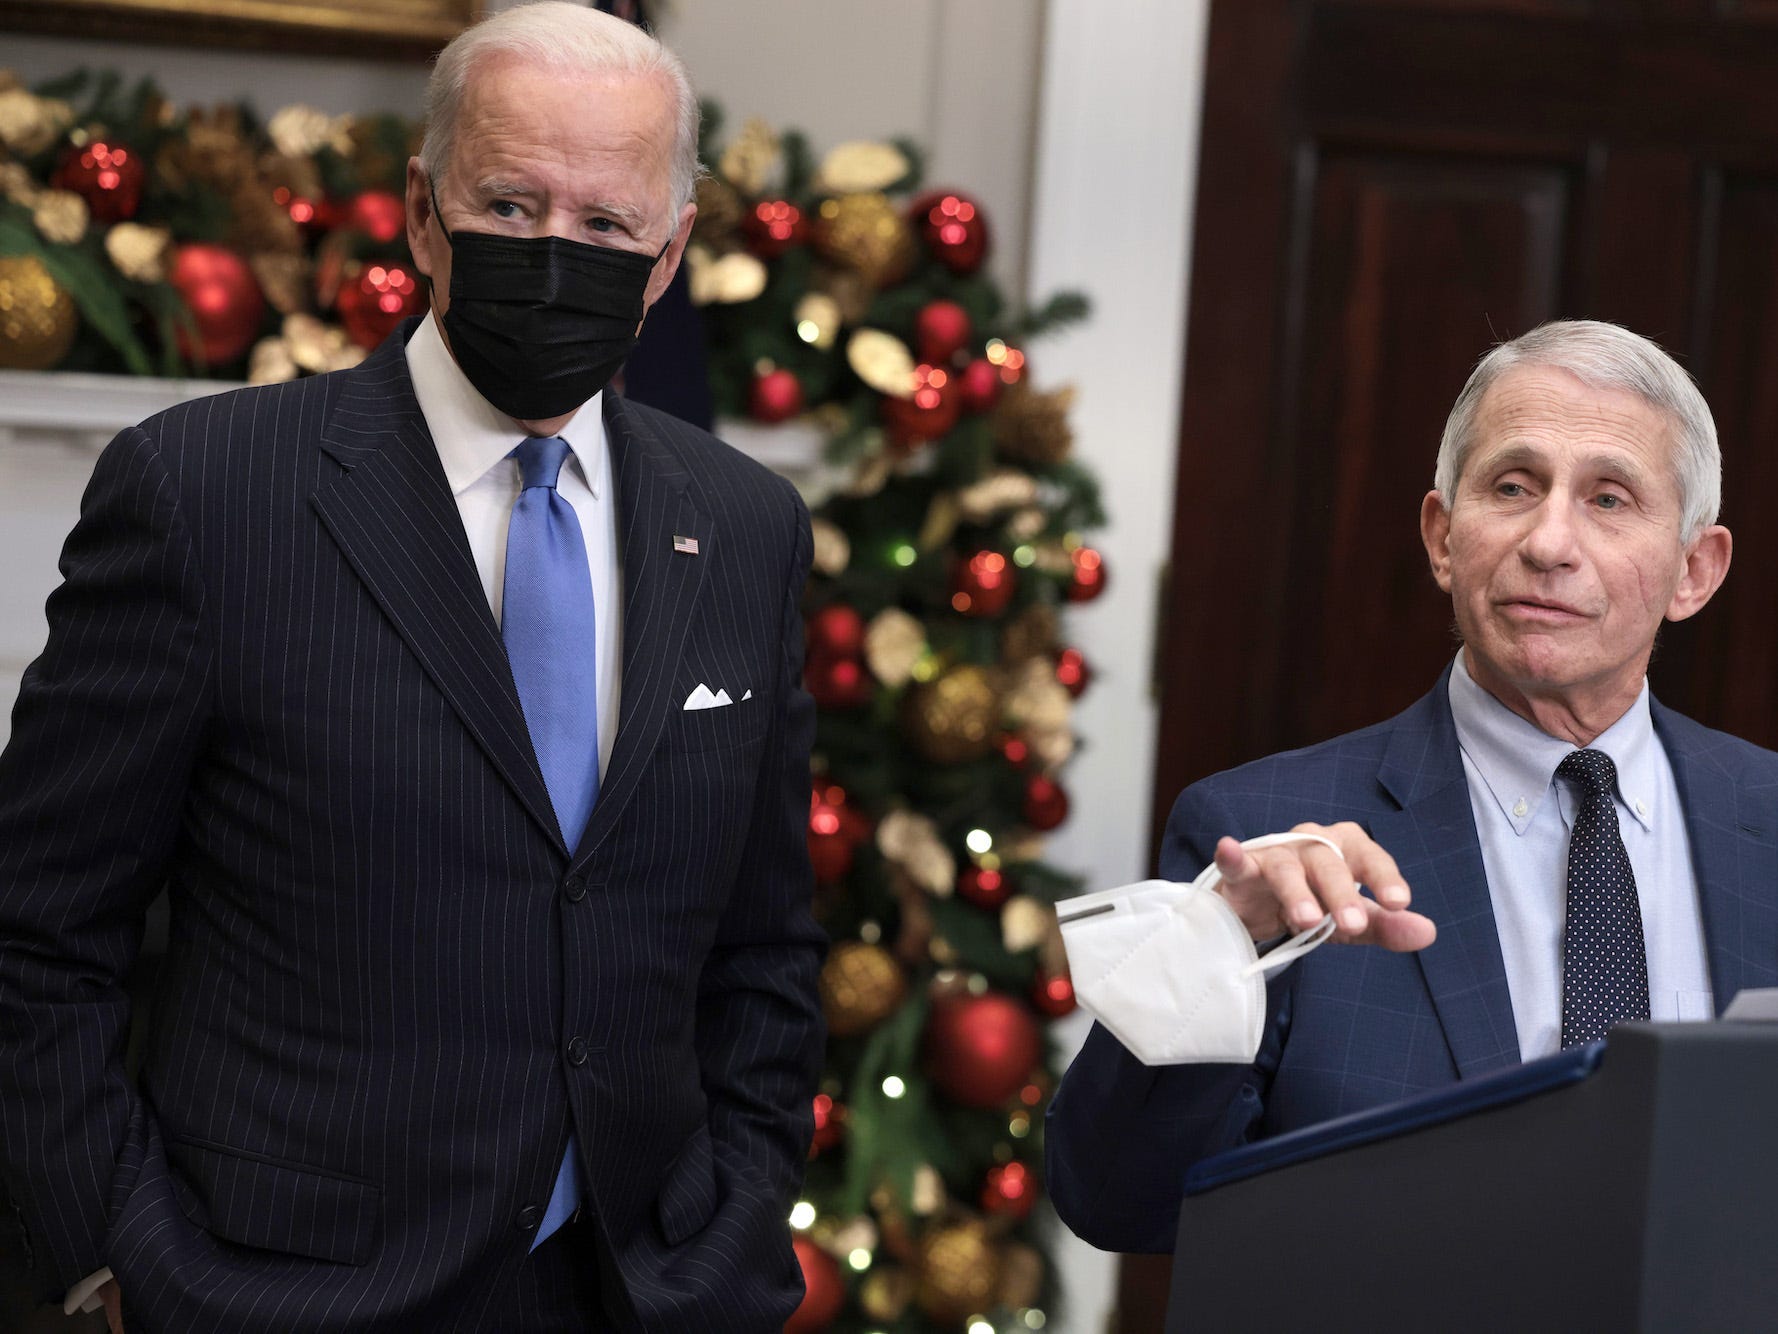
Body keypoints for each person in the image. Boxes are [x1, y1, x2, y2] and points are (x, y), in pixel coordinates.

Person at [0, 5, 826, 1330]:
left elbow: (765, 944)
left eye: (606, 225)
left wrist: (730, 1221)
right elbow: (37, 929)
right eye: (510, 202)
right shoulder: (208, 492)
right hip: (269, 1292)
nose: (557, 253)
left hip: (639, 1286)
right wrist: (108, 1256)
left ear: (668, 254)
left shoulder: (742, 527)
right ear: (422, 212)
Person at [1047, 319, 1777, 1256]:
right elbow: (1116, 1200)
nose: (1550, 541)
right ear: (1442, 536)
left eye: (1609, 498)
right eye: (1512, 487)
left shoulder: (1764, 824)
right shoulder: (1260, 837)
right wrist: (1221, 942)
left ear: (1695, 570)